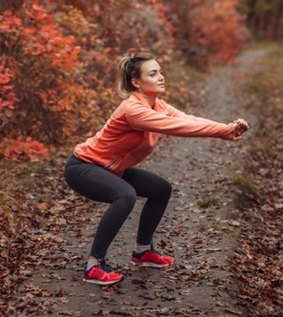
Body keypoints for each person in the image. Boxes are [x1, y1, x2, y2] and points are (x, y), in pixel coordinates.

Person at [64, 51, 249, 286]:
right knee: (125, 195)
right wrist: (223, 131)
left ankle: (143, 251)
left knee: (160, 189)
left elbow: (187, 119)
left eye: (160, 71)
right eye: (153, 73)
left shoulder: (156, 104)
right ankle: (94, 265)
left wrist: (225, 129)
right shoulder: (134, 110)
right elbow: (177, 127)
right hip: (83, 166)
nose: (161, 76)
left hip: (111, 168)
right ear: (137, 82)